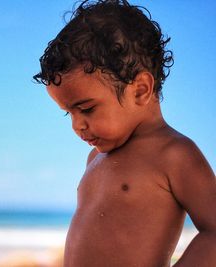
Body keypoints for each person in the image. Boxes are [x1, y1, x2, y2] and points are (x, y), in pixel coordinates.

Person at [33, 1, 216, 266]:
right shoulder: (94, 158)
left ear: (140, 90)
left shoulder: (174, 154)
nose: (77, 125)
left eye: (86, 109)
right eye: (69, 113)